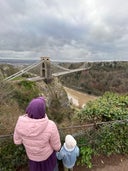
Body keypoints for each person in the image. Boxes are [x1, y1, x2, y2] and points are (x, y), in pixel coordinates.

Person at [13, 96, 61, 171]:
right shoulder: (50, 125)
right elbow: (57, 147)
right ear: (43, 110)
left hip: (33, 159)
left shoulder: (20, 124)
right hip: (48, 158)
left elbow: (17, 141)